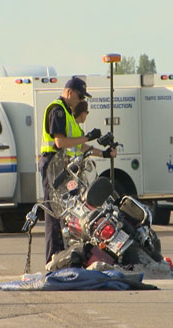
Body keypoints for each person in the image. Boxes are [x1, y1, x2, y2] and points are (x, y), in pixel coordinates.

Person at [38, 77, 116, 264]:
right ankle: (53, 259)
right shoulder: (57, 110)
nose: (81, 101)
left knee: (68, 214)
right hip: (52, 165)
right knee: (54, 213)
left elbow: (80, 147)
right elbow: (60, 142)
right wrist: (86, 137)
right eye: (80, 96)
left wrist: (103, 154)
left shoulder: (67, 112)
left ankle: (64, 256)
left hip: (61, 166)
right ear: (70, 92)